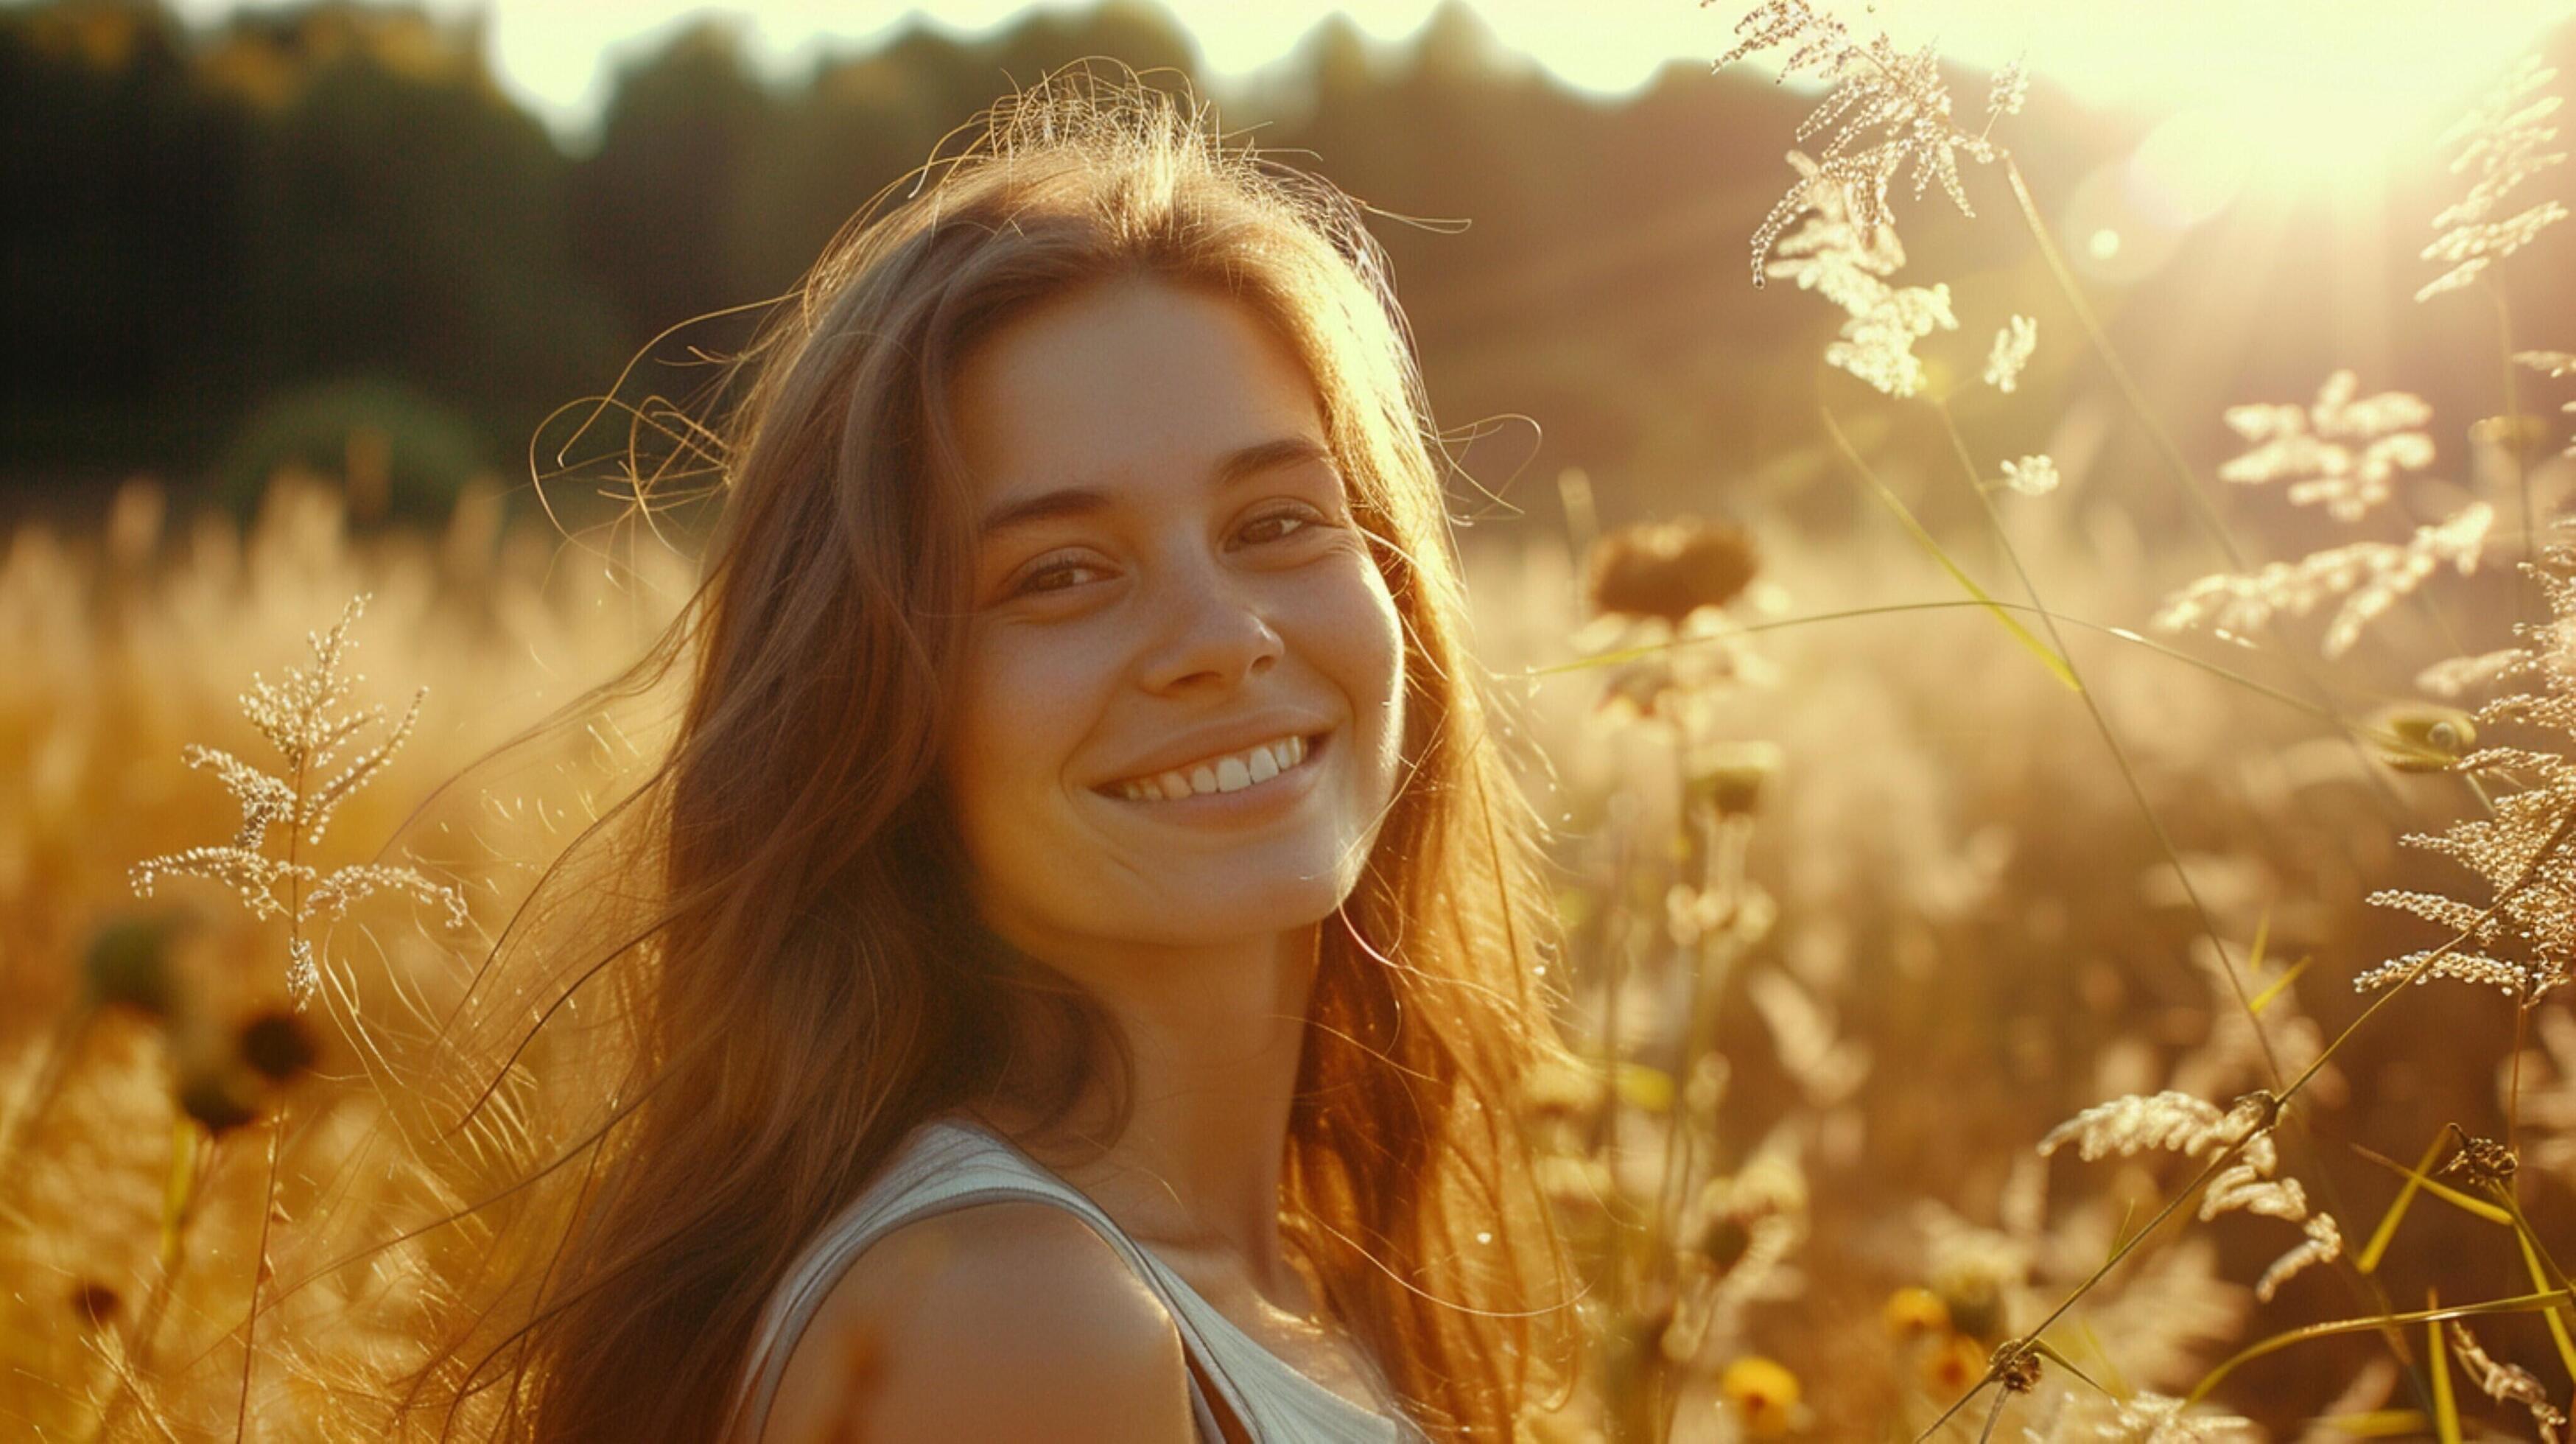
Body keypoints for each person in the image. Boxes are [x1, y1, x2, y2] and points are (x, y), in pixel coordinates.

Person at [388, 63, 1583, 1443]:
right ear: (875, 705)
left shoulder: (1288, 1285)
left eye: (1276, 524)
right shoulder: (1018, 1330)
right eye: (1062, 572)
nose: (1222, 635)